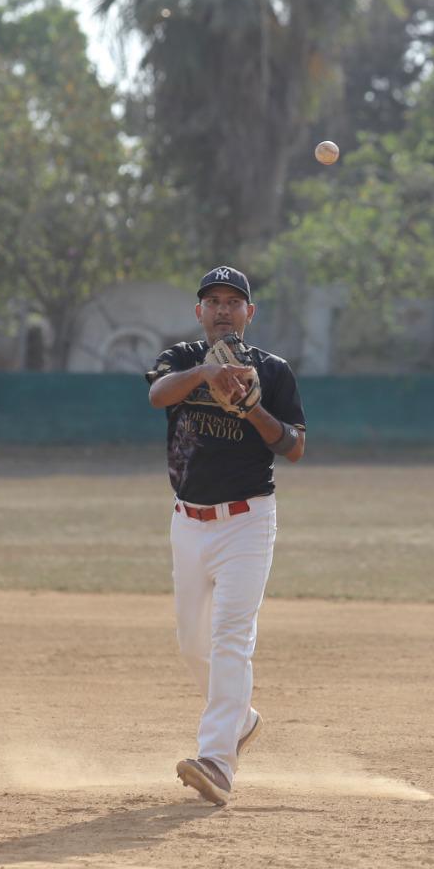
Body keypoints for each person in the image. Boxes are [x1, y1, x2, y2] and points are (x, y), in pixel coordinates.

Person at [144, 265, 307, 806]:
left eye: (232, 301)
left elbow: (294, 444)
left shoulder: (273, 370)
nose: (221, 309)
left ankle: (217, 760)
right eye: (212, 300)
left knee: (231, 635)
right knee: (192, 641)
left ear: (249, 313)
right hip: (188, 522)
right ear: (199, 311)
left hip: (248, 520)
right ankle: (242, 719)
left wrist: (251, 408)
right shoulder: (181, 358)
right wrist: (205, 377)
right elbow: (158, 396)